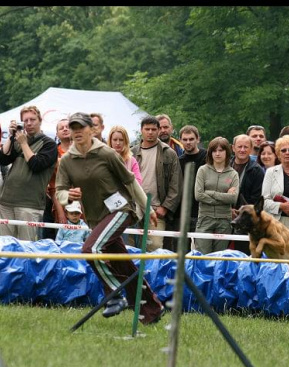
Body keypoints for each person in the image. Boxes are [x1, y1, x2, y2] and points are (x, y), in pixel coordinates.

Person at [56, 112, 164, 324]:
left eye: (81, 128)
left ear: (92, 130)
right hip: (97, 218)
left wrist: (148, 208)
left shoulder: (106, 153)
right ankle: (152, 310)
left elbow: (131, 182)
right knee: (123, 265)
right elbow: (59, 192)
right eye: (73, 128)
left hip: (121, 210)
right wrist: (67, 195)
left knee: (89, 249)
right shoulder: (67, 160)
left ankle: (114, 295)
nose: (77, 132)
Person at [0, 105, 58, 241]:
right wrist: (11, 137)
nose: (28, 123)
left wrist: (24, 144)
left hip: (29, 204)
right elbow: (2, 159)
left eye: (32, 119)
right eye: (25, 120)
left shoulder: (49, 144)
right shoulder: (18, 139)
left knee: (27, 248)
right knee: (5, 248)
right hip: (5, 201)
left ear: (40, 120)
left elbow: (36, 165)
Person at [132, 115, 183, 252]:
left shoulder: (169, 153)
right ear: (141, 130)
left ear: (158, 130)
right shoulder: (132, 152)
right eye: (147, 129)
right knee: (131, 248)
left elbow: (176, 185)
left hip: (156, 210)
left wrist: (165, 207)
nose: (150, 132)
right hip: (133, 209)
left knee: (155, 248)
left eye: (153, 129)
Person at [194, 137, 239, 254]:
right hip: (204, 218)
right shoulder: (202, 170)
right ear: (210, 153)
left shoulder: (233, 174)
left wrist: (210, 193)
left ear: (227, 152)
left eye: (221, 150)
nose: (217, 154)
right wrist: (224, 198)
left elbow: (233, 198)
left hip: (225, 220)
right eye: (214, 151)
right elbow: (198, 195)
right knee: (202, 256)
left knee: (219, 258)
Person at [230, 134, 265, 254]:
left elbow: (256, 199)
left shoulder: (257, 171)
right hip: (223, 216)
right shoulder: (224, 166)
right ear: (233, 148)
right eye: (239, 147)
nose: (242, 150)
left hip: (246, 222)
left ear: (251, 149)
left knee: (242, 256)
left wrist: (240, 212)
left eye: (246, 147)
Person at [41, 118, 72, 240]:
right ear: (57, 134)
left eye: (67, 126)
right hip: (56, 201)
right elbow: (52, 186)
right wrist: (59, 210)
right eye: (61, 127)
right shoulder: (52, 153)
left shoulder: (82, 152)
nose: (65, 129)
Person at [178, 125, 207, 244]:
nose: (188, 142)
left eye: (191, 139)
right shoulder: (179, 161)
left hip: (202, 212)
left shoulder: (207, 157)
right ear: (180, 140)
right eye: (185, 139)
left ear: (198, 139)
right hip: (183, 212)